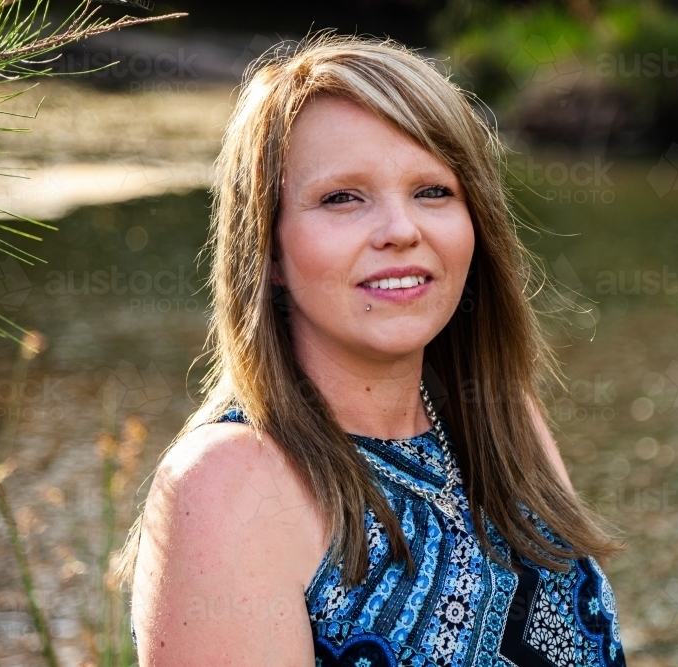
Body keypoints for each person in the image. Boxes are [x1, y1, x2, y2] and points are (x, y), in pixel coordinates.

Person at [120, 31, 627, 666]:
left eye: (433, 191)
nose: (400, 230)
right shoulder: (227, 487)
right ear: (268, 251)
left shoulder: (503, 419)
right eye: (342, 197)